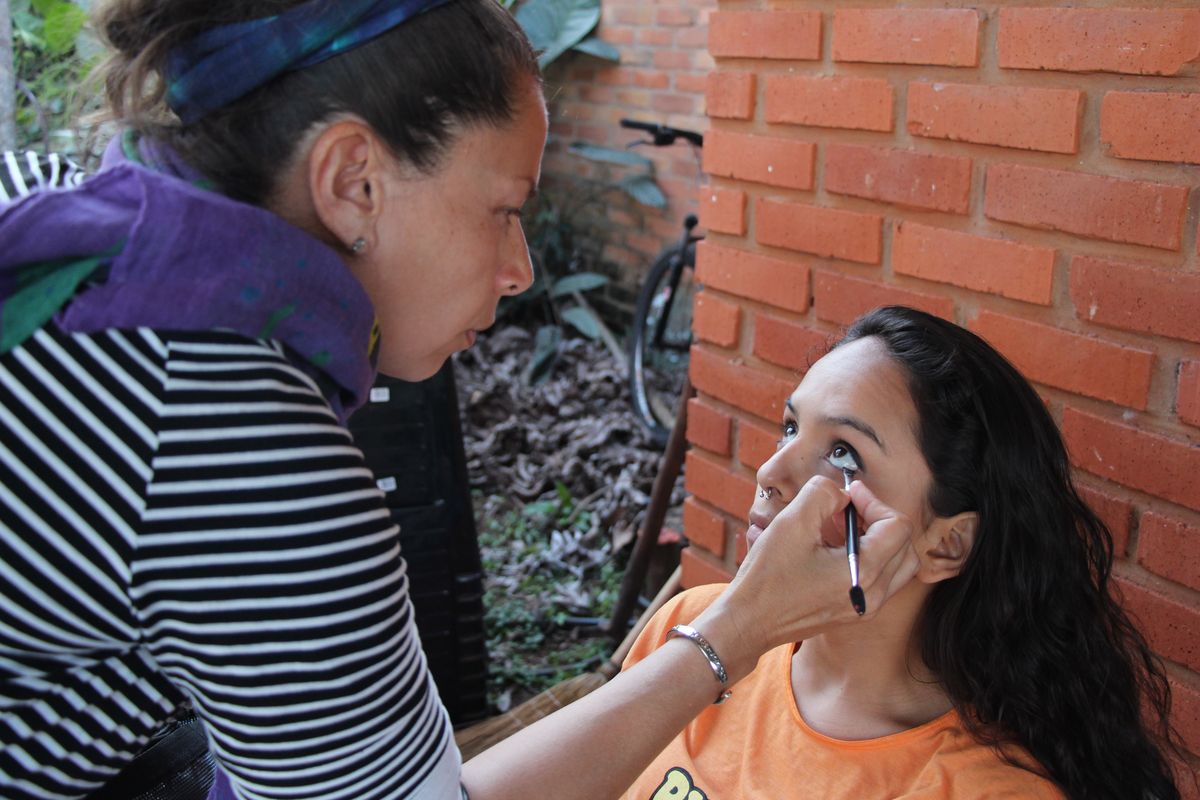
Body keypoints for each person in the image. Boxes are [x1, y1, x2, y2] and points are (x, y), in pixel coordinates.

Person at [0, 3, 925, 799]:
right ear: (353, 181)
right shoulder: (242, 448)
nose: (521, 269)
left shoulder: (53, 211)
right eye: (504, 208)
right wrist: (740, 631)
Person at [619, 305, 1184, 800]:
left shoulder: (980, 789)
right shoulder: (690, 625)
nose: (770, 472)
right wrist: (723, 639)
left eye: (843, 455)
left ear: (946, 544)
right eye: (790, 428)